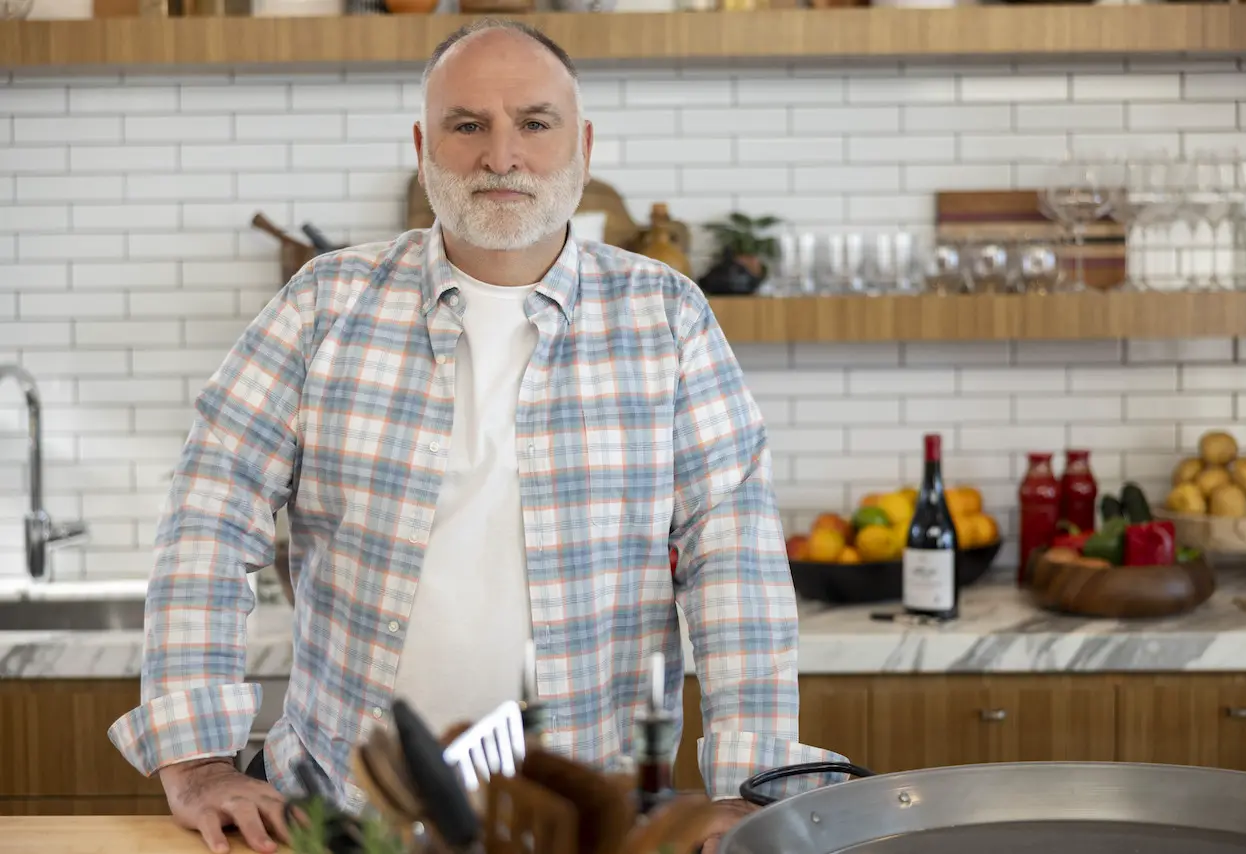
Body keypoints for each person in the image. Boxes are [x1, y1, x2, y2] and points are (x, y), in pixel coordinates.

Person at [108, 17, 845, 854]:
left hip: (588, 821)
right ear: (425, 147)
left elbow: (733, 556)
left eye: (534, 123)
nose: (502, 156)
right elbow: (209, 513)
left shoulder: (667, 316)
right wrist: (197, 759)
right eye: (469, 126)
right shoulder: (323, 304)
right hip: (343, 818)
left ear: (583, 144)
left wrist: (750, 789)